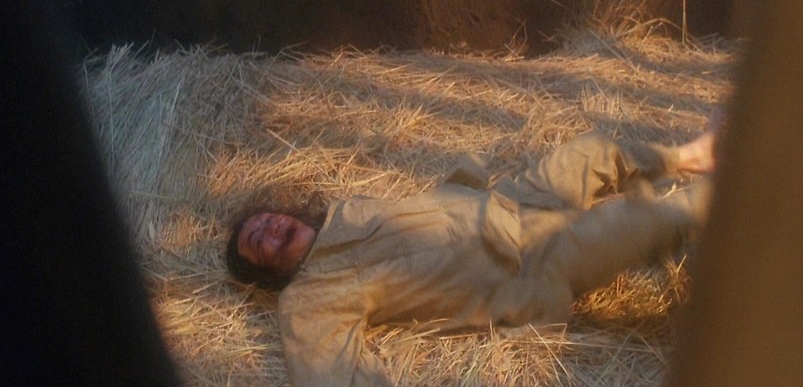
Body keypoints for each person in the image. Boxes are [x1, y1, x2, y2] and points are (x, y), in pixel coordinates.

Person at [226, 125, 718, 386]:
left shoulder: (342, 213)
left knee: (594, 148)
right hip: (522, 268)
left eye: (263, 220)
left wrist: (466, 184)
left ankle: (691, 157)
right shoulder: (308, 299)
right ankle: (740, 192)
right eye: (257, 242)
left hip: (513, 201)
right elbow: (325, 374)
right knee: (640, 222)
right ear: (265, 272)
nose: (269, 229)